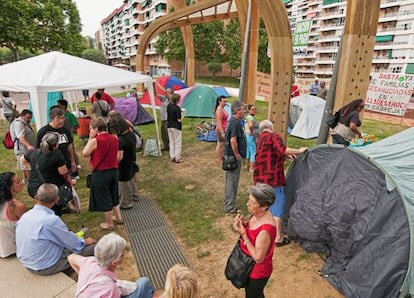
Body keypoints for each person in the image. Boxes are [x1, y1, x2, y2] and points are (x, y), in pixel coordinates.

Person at [16, 183, 96, 275]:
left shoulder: (26, 215)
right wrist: (86, 241)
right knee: (94, 248)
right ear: (57, 200)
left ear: (36, 197)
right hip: (45, 266)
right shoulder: (51, 221)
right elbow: (75, 244)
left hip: (28, 263)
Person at [253, 120, 307, 246]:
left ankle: (259, 231)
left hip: (259, 178)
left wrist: (286, 156)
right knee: (277, 208)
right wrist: (299, 150)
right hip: (273, 179)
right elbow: (282, 149)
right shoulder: (274, 136)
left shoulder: (260, 139)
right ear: (271, 127)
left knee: (263, 205)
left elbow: (271, 153)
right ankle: (278, 238)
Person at [68, 233, 154, 298]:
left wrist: (82, 275)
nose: (125, 253)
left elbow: (71, 257)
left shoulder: (89, 262)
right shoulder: (110, 288)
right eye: (122, 254)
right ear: (115, 263)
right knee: (144, 282)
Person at [232, 183, 276, 298]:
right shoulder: (257, 214)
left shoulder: (265, 231)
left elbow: (258, 258)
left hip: (257, 272)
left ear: (264, 206)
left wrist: (244, 235)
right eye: (249, 200)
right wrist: (242, 226)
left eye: (252, 203)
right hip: (248, 265)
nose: (247, 204)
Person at [82, 117, 123, 230]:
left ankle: (109, 223)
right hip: (114, 170)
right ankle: (118, 217)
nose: (90, 131)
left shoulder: (96, 140)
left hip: (101, 172)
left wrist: (90, 138)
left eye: (91, 129)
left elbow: (85, 153)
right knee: (114, 194)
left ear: (96, 129)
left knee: (104, 197)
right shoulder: (114, 138)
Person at [24, 132, 74, 216]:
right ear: (56, 144)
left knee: (41, 206)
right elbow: (64, 172)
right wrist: (70, 184)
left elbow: (23, 160)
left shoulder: (33, 152)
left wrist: (33, 167)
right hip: (49, 188)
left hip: (33, 187)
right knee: (53, 209)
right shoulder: (56, 154)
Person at [36, 107, 77, 180]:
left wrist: (73, 161)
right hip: (51, 166)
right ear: (52, 118)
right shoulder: (43, 132)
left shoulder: (65, 130)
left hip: (65, 163)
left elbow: (70, 146)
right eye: (58, 118)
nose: (61, 121)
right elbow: (38, 150)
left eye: (63, 118)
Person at [108, 112, 139, 210]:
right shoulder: (130, 133)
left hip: (123, 164)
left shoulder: (120, 141)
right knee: (131, 178)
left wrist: (113, 164)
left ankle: (126, 203)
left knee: (124, 183)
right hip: (131, 159)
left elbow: (119, 157)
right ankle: (134, 195)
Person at [224, 101, 246, 214]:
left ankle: (228, 202)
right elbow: (233, 140)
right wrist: (237, 154)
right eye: (242, 109)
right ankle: (229, 206)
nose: (244, 111)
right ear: (237, 111)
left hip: (229, 155)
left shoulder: (232, 121)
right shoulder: (235, 122)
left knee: (229, 181)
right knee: (232, 182)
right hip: (233, 157)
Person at [0, 172, 27, 258]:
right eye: (18, 182)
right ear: (10, 188)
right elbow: (28, 229)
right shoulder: (17, 206)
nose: (22, 183)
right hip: (13, 250)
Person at [9, 109, 36, 182]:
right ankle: (29, 180)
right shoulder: (19, 124)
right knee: (26, 166)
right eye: (28, 118)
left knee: (25, 166)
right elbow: (20, 137)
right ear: (23, 116)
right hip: (22, 149)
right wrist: (28, 145)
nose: (29, 119)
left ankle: (26, 179)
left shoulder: (23, 123)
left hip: (25, 149)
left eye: (30, 117)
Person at [155, 82, 173, 151]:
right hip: (163, 119)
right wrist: (153, 85)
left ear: (171, 93)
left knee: (168, 133)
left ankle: (171, 146)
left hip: (167, 119)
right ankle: (166, 146)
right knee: (163, 134)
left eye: (167, 92)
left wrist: (158, 84)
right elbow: (155, 94)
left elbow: (166, 92)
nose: (165, 93)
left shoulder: (171, 99)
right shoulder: (164, 99)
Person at [167, 93, 184, 163]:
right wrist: (183, 115)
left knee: (171, 142)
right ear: (177, 100)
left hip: (169, 126)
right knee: (177, 142)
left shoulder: (169, 106)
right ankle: (177, 158)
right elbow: (179, 120)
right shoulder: (177, 108)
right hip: (176, 126)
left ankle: (172, 156)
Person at [244, 104, 259, 172]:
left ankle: (247, 165)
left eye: (255, 109)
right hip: (251, 136)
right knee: (254, 151)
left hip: (248, 135)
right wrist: (252, 132)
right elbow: (250, 125)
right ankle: (252, 168)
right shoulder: (250, 118)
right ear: (249, 110)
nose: (254, 110)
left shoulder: (248, 117)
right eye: (252, 109)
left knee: (249, 150)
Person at [214, 95, 228, 163]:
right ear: (219, 101)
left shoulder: (222, 108)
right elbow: (219, 122)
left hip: (224, 128)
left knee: (222, 144)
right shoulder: (219, 109)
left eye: (226, 101)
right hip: (220, 129)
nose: (225, 103)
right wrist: (222, 132)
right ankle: (218, 159)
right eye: (224, 101)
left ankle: (220, 157)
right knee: (220, 144)